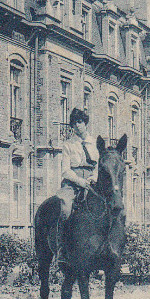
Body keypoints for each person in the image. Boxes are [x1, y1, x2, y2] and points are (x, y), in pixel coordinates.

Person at [54, 107, 100, 256]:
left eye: (79, 122)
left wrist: (93, 178)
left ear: (85, 123)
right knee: (65, 208)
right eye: (74, 123)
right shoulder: (68, 144)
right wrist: (80, 181)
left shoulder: (94, 143)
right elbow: (65, 170)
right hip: (72, 182)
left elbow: (99, 165)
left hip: (92, 181)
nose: (77, 126)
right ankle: (61, 247)